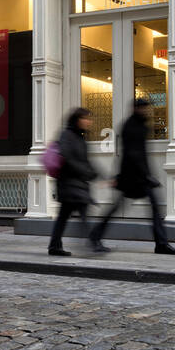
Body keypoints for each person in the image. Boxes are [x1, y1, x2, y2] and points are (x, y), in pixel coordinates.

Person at [89, 98, 175, 255]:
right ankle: (160, 244)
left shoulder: (140, 125)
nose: (148, 111)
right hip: (133, 177)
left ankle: (161, 243)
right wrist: (145, 175)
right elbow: (132, 154)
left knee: (146, 208)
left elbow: (139, 154)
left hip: (137, 176)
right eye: (144, 108)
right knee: (125, 208)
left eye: (148, 108)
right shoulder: (131, 126)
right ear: (136, 109)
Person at [48, 108, 99, 256]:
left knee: (65, 216)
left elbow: (84, 160)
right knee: (80, 214)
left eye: (89, 119)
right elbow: (68, 159)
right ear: (77, 119)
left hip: (77, 184)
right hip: (69, 184)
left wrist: (93, 173)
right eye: (85, 118)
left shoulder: (80, 137)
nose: (88, 122)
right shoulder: (67, 135)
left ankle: (55, 246)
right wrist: (85, 172)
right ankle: (93, 243)